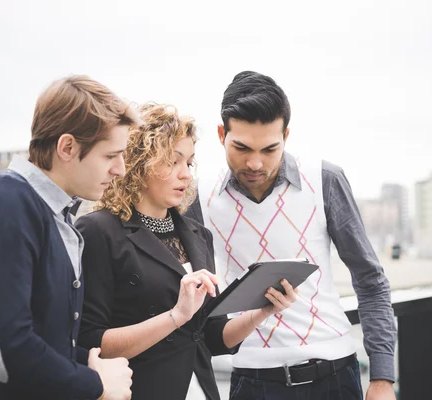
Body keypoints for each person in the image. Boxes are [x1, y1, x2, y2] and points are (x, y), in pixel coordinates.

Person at [186, 71, 397, 400]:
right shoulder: (199, 195)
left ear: (286, 135)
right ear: (220, 134)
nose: (255, 162)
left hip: (335, 375)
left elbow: (370, 278)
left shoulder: (325, 179)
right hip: (251, 380)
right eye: (241, 147)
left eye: (270, 149)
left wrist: (383, 377)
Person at [75, 103, 298, 400]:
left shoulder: (197, 234)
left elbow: (212, 337)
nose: (185, 175)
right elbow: (91, 342)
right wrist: (175, 316)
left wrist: (261, 312)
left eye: (189, 163)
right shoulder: (97, 231)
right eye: (172, 161)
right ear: (139, 162)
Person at [0, 75, 136, 400]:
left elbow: (47, 339)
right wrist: (97, 384)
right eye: (110, 156)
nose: (121, 169)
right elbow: (4, 350)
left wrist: (91, 365)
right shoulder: (3, 203)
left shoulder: (51, 213)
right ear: (67, 147)